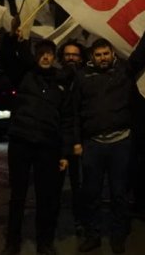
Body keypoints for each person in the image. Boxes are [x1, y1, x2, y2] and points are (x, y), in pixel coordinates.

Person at [73, 14, 145, 254]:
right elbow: (73, 112)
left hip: (121, 144)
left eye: (106, 54)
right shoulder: (82, 77)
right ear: (92, 57)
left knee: (119, 194)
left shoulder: (124, 71)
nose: (103, 58)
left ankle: (118, 235)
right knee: (90, 193)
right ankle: (92, 235)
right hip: (92, 144)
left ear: (113, 54)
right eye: (98, 54)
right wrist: (76, 141)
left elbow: (142, 52)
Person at [0, 26, 75, 255]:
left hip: (48, 147)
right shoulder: (24, 76)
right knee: (18, 196)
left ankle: (45, 242)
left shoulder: (62, 83)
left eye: (49, 53)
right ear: (36, 55)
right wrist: (10, 37)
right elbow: (5, 57)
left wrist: (65, 152)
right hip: (21, 142)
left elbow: (68, 119)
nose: (45, 57)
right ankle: (12, 242)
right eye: (41, 53)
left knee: (47, 198)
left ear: (54, 57)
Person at [57, 39, 86, 230]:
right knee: (54, 185)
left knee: (80, 186)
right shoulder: (55, 79)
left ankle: (81, 221)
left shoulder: (86, 79)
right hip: (59, 141)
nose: (71, 58)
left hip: (81, 141)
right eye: (67, 54)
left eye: (75, 55)